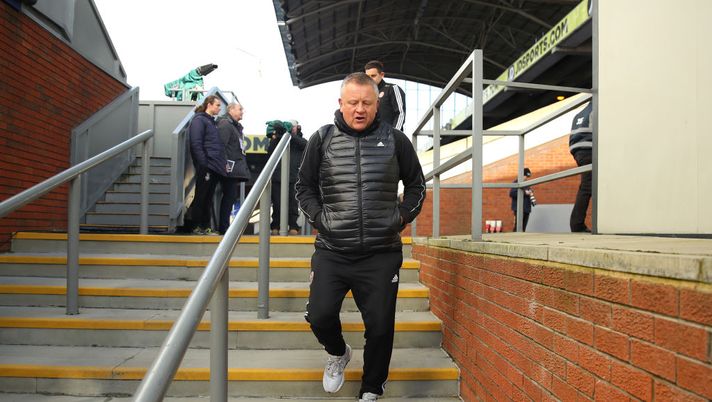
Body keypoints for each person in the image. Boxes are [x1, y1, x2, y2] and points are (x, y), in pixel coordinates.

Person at [296, 72, 426, 402]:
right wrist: (320, 218)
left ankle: (371, 387)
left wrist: (400, 217)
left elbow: (416, 186)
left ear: (376, 104)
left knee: (381, 327)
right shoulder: (321, 138)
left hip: (381, 254)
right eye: (352, 102)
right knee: (320, 315)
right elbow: (304, 187)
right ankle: (338, 353)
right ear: (341, 104)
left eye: (366, 103)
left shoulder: (396, 141)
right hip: (333, 250)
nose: (359, 109)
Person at [186, 95, 227, 235]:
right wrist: (203, 164)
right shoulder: (199, 120)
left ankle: (205, 226)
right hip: (206, 165)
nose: (219, 108)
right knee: (201, 196)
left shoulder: (211, 122)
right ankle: (197, 226)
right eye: (217, 105)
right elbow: (196, 144)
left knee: (208, 197)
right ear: (209, 104)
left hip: (214, 166)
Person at [266, 119, 307, 235]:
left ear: (297, 128)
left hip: (294, 178)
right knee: (277, 204)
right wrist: (279, 135)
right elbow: (270, 152)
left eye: (293, 126)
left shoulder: (299, 140)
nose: (291, 128)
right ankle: (275, 226)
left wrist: (289, 135)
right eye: (289, 127)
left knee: (293, 204)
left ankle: (293, 226)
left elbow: (305, 145)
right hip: (278, 177)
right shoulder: (277, 139)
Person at [216, 102, 251, 234]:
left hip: (233, 168)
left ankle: (224, 226)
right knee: (229, 196)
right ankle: (223, 227)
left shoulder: (236, 127)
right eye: (240, 109)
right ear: (231, 110)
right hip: (228, 168)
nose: (243, 111)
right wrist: (225, 165)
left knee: (230, 197)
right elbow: (221, 146)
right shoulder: (226, 124)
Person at [569, 102, 593, 232]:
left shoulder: (581, 113)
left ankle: (577, 224)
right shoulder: (599, 108)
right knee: (588, 186)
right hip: (590, 150)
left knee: (588, 185)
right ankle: (576, 224)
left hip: (578, 151)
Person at [364, 60, 406, 131]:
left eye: (373, 76)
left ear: (382, 75)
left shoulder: (392, 88)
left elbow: (400, 113)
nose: (370, 79)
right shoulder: (365, 94)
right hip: (371, 138)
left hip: (389, 136)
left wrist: (395, 134)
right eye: (368, 77)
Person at [509, 167, 536, 231]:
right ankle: (514, 239)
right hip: (519, 209)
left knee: (523, 227)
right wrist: (524, 193)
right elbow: (512, 193)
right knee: (517, 226)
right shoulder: (515, 183)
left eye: (527, 177)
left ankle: (520, 238)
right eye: (525, 176)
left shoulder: (527, 184)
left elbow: (529, 194)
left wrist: (532, 199)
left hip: (526, 208)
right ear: (522, 175)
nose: (526, 178)